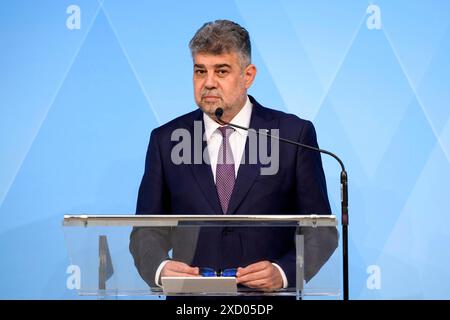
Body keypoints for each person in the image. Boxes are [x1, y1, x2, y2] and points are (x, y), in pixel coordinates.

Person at [129, 20, 338, 295]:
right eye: (200, 71)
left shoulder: (291, 135)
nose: (208, 83)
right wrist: (160, 268)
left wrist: (283, 272)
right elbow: (146, 230)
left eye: (222, 71)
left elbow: (320, 230)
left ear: (248, 76)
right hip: (192, 304)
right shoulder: (166, 140)